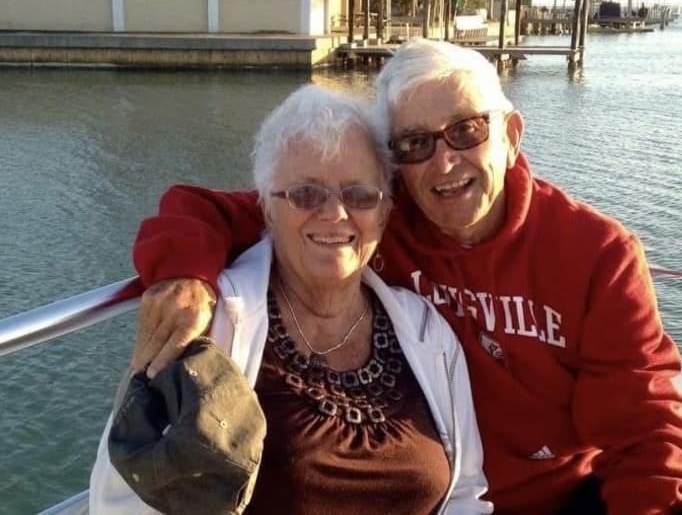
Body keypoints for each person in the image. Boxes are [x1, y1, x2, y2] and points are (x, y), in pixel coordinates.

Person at [130, 39, 682, 514]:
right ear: (395, 169)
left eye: (467, 130)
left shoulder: (597, 254)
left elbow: (645, 434)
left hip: (557, 500)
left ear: (512, 136)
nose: (444, 162)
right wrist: (185, 273)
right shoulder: (378, 218)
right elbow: (225, 207)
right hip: (440, 493)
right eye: (415, 144)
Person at [90, 84, 492, 514]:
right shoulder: (208, 325)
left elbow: (466, 492)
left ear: (385, 212)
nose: (335, 214)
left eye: (359, 195)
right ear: (265, 206)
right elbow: (125, 498)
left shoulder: (428, 332)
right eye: (306, 194)